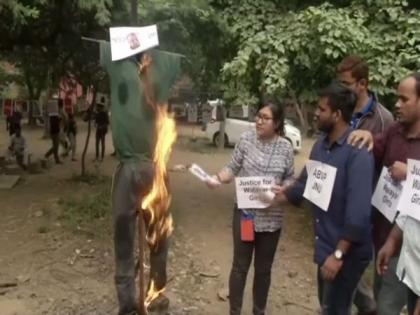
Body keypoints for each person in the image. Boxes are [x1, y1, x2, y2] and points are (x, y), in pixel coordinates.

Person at [274, 81, 374, 315]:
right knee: (327, 305)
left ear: (337, 115)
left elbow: (358, 214)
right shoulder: (320, 146)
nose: (316, 113)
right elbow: (305, 183)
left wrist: (338, 255)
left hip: (345, 253)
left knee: (335, 309)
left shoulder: (357, 153)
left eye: (321, 109)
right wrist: (282, 194)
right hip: (325, 244)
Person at [100, 40, 181, 315]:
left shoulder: (163, 63)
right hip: (127, 166)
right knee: (123, 239)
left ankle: (155, 297)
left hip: (154, 167)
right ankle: (127, 304)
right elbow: (109, 47)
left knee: (159, 235)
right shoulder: (118, 62)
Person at [206, 102, 295, 315]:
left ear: (277, 123)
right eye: (258, 116)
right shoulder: (246, 140)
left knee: (263, 270)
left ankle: (259, 310)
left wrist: (284, 189)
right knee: (239, 267)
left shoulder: (285, 147)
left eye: (265, 118)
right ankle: (234, 311)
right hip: (245, 216)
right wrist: (218, 178)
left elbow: (291, 178)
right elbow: (232, 167)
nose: (259, 120)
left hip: (271, 221)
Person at [349, 73, 420, 315]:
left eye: (404, 99)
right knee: (382, 301)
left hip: (409, 246)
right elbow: (375, 146)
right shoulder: (394, 131)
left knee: (387, 307)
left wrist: (411, 170)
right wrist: (368, 136)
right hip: (383, 238)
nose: (397, 104)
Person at [337, 55, 394, 315]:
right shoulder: (339, 111)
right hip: (337, 204)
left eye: (346, 84)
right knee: (337, 262)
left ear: (362, 83)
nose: (341, 89)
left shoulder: (383, 120)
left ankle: (366, 306)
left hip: (367, 210)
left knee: (357, 264)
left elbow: (388, 166)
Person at [44, 100, 62, 164]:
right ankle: (50, 156)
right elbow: (54, 124)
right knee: (55, 147)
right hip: (55, 132)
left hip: (55, 132)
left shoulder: (53, 117)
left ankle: (53, 158)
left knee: (55, 146)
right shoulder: (53, 117)